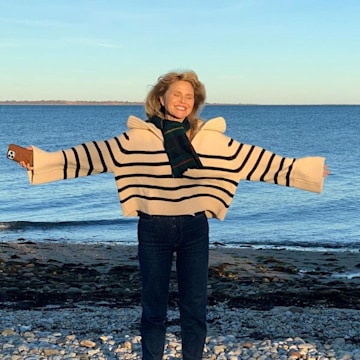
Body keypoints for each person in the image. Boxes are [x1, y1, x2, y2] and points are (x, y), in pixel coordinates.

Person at [18, 70, 330, 360]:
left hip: (194, 227)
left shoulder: (209, 139)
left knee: (194, 307)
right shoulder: (136, 139)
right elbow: (88, 156)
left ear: (195, 103)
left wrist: (304, 171)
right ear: (161, 98)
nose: (182, 101)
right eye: (176, 94)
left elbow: (257, 161)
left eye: (189, 97)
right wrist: (40, 162)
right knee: (153, 308)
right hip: (153, 229)